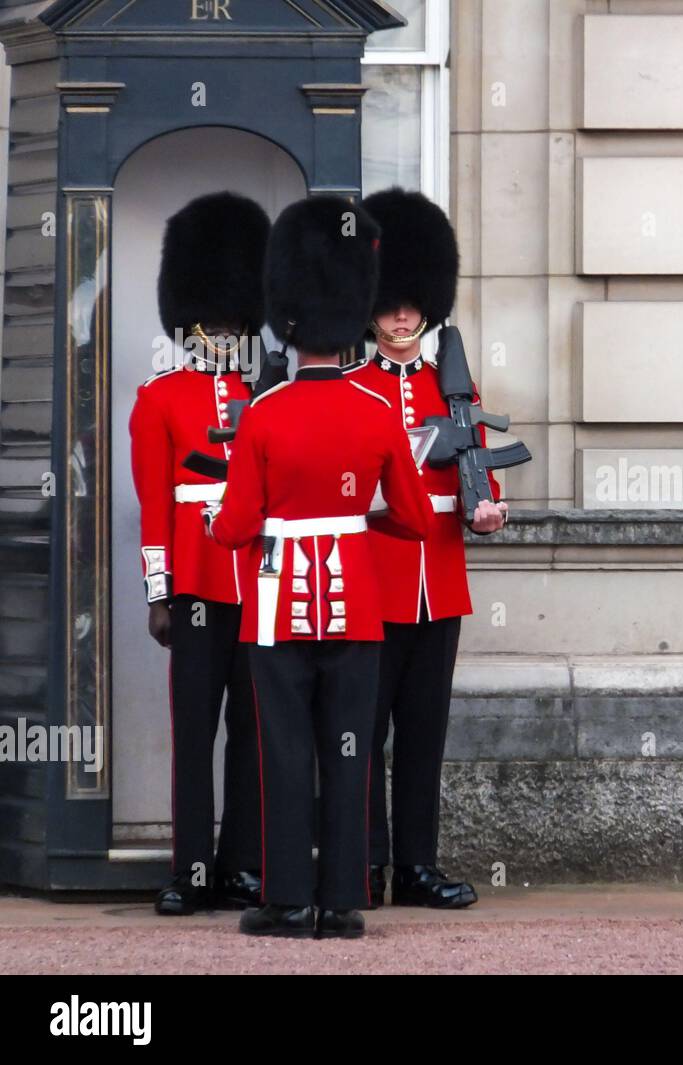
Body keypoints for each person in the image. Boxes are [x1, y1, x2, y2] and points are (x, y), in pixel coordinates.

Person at [209, 195, 432, 939]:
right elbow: (417, 517)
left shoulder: (265, 413)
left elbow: (235, 527)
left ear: (290, 321)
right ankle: (341, 902)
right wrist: (359, 517)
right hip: (357, 605)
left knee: (284, 751)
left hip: (278, 604)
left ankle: (288, 899)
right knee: (350, 750)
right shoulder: (377, 412)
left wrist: (225, 520)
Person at [347, 187, 505, 909]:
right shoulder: (352, 389)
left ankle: (415, 865)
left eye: (411, 303)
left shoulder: (455, 387)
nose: (401, 316)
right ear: (371, 308)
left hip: (437, 578)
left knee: (423, 736)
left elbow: (480, 471)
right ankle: (366, 863)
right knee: (364, 731)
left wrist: (490, 507)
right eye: (388, 304)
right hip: (374, 581)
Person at [129, 192, 268, 915]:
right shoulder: (159, 398)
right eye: (210, 320)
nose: (221, 331)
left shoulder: (269, 395)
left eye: (231, 319)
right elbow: (156, 506)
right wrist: (160, 592)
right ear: (190, 321)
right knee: (194, 731)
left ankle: (243, 862)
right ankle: (190, 867)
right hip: (198, 585)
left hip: (264, 585)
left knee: (251, 728)